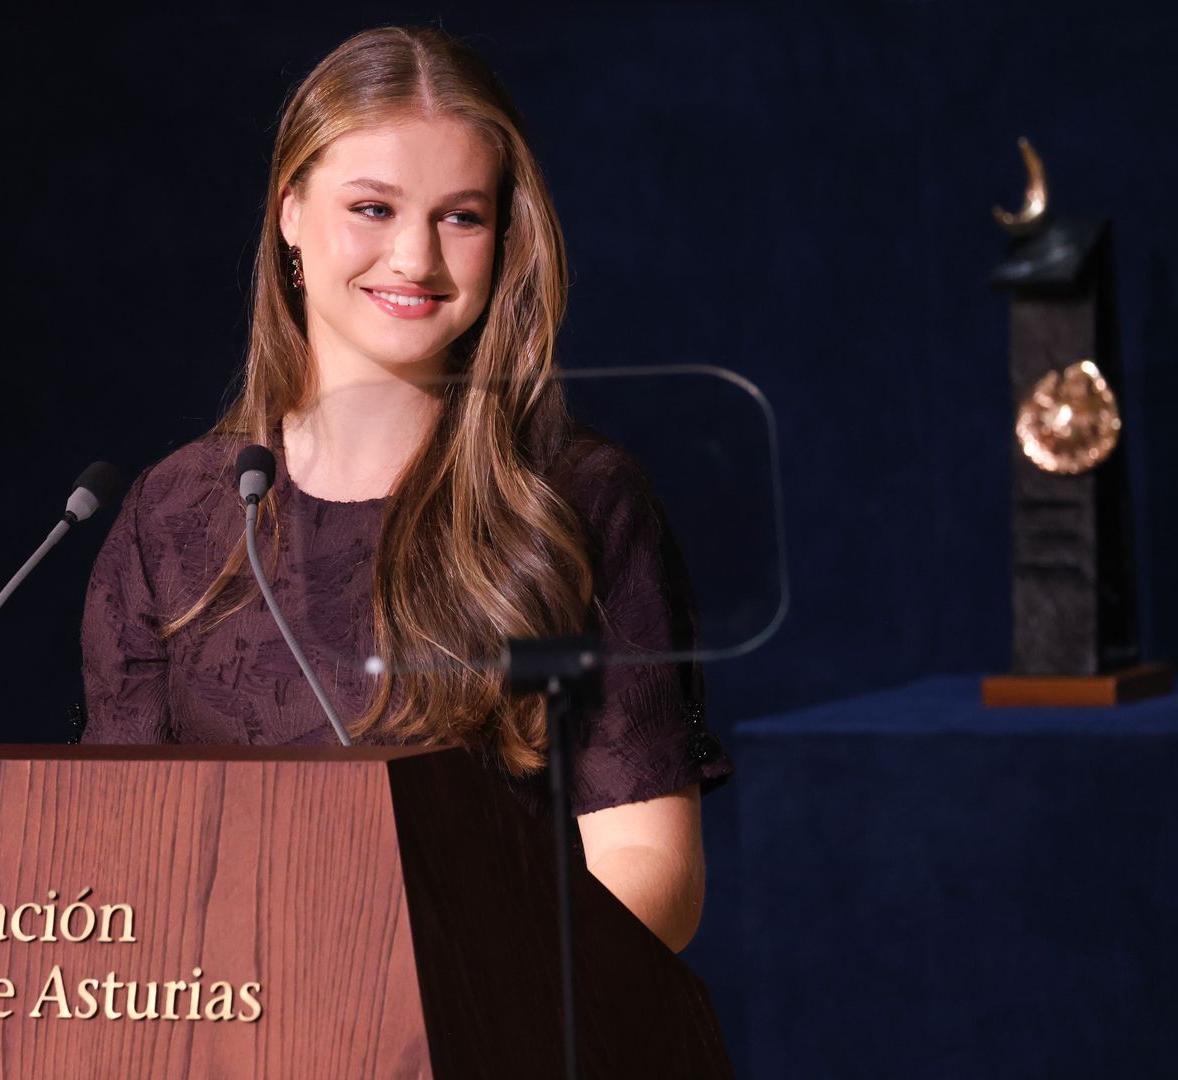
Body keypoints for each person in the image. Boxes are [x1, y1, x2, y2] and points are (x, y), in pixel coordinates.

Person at [78, 25, 731, 953]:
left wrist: (463, 994)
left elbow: (650, 867)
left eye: (460, 216)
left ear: (504, 237)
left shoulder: (581, 500)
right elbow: (113, 854)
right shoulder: (173, 514)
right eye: (374, 208)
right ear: (289, 212)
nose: (416, 260)